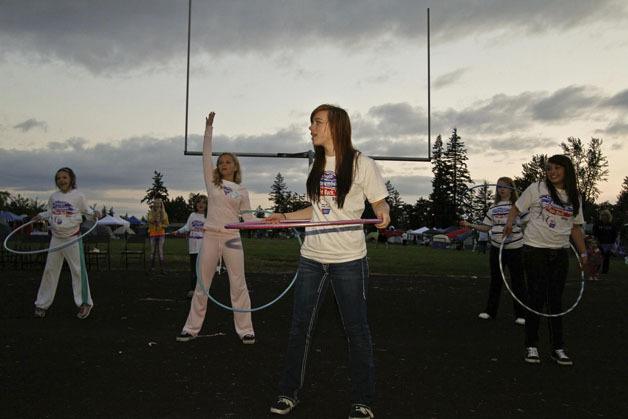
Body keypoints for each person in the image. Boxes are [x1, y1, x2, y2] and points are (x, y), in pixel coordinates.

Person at [267, 104, 390, 419]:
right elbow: (316, 212)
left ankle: (363, 400)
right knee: (299, 328)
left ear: (335, 126)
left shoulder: (362, 164)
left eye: (317, 122)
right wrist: (284, 217)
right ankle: (288, 393)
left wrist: (383, 215)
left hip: (348, 260)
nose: (311, 127)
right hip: (312, 258)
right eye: (311, 122)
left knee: (356, 330)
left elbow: (380, 204)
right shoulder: (318, 165)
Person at [177, 111, 256, 345]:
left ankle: (246, 330)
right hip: (210, 236)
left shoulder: (241, 191)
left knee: (238, 284)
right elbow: (206, 156)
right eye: (220, 162)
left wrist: (274, 221)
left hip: (232, 237)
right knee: (202, 284)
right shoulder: (212, 183)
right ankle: (191, 328)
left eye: (227, 161)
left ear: (235, 166)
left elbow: (249, 220)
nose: (223, 164)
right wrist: (208, 130)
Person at [503, 154, 587, 367]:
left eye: (557, 168)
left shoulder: (574, 196)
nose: (552, 172)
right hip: (535, 249)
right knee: (536, 297)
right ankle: (531, 345)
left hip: (560, 252)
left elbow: (575, 228)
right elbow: (516, 208)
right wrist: (510, 223)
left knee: (556, 300)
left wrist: (584, 253)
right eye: (549, 168)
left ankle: (557, 347)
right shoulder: (537, 188)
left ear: (567, 170)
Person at [33, 167, 98, 319]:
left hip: (72, 238)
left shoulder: (78, 196)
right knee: (50, 270)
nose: (61, 180)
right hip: (56, 238)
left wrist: (95, 214)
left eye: (64, 177)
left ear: (71, 179)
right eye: (58, 178)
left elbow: (87, 212)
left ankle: (84, 304)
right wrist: (40, 215)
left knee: (77, 271)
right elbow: (50, 212)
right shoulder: (54, 197)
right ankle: (41, 305)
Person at [461, 177, 527, 325]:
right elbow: (486, 227)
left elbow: (527, 222)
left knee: (518, 281)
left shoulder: (518, 206)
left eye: (504, 186)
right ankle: (490, 311)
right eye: (499, 187)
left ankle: (521, 314)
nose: (501, 189)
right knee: (495, 281)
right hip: (497, 248)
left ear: (511, 188)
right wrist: (469, 224)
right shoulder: (493, 207)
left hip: (515, 248)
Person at [174, 195, 207, 297]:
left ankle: (202, 290)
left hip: (204, 247)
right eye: (199, 202)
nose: (201, 204)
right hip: (193, 247)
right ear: (195, 204)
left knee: (203, 269)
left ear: (207, 205)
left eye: (203, 202)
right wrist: (178, 231)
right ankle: (193, 289)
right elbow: (187, 227)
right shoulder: (192, 215)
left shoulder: (208, 216)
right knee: (194, 269)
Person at [593, 209, 619, 275]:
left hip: (609, 244)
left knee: (606, 258)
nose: (604, 217)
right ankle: (595, 270)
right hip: (599, 243)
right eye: (603, 215)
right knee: (598, 257)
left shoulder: (612, 225)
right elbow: (595, 233)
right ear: (601, 216)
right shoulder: (597, 224)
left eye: (606, 215)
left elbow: (614, 234)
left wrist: (612, 243)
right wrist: (596, 241)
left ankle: (605, 271)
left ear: (608, 216)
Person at [147, 198, 169, 274]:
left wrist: (162, 225)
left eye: (159, 203)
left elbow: (167, 225)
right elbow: (151, 220)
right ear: (154, 204)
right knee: (152, 252)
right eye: (155, 203)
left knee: (160, 251)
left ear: (161, 204)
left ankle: (163, 269)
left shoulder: (165, 213)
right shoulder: (150, 213)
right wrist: (157, 213)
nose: (157, 205)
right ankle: (151, 268)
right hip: (153, 234)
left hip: (161, 234)